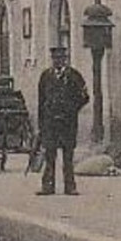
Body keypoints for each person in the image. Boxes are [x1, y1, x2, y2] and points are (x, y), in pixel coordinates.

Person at [36, 45, 89, 196]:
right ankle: (48, 187)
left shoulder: (74, 76)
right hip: (50, 123)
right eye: (55, 59)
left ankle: (70, 187)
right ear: (52, 60)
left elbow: (85, 97)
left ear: (66, 59)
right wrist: (41, 123)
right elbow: (41, 101)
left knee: (68, 156)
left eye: (61, 58)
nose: (58, 62)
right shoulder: (46, 76)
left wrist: (72, 109)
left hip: (68, 123)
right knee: (50, 156)